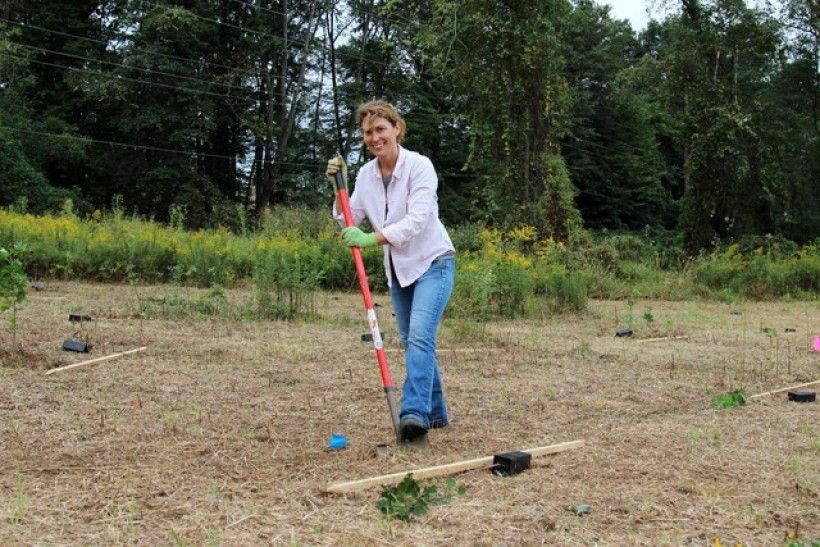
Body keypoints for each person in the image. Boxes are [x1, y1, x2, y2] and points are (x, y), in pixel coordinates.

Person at [326, 100, 456, 444]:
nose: (374, 137)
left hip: (434, 262)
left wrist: (372, 238)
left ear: (397, 128)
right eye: (368, 132)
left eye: (381, 129)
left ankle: (413, 414)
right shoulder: (367, 176)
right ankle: (438, 411)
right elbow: (347, 217)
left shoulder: (419, 167)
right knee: (416, 340)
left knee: (419, 337)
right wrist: (337, 186)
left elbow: (417, 221)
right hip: (399, 270)